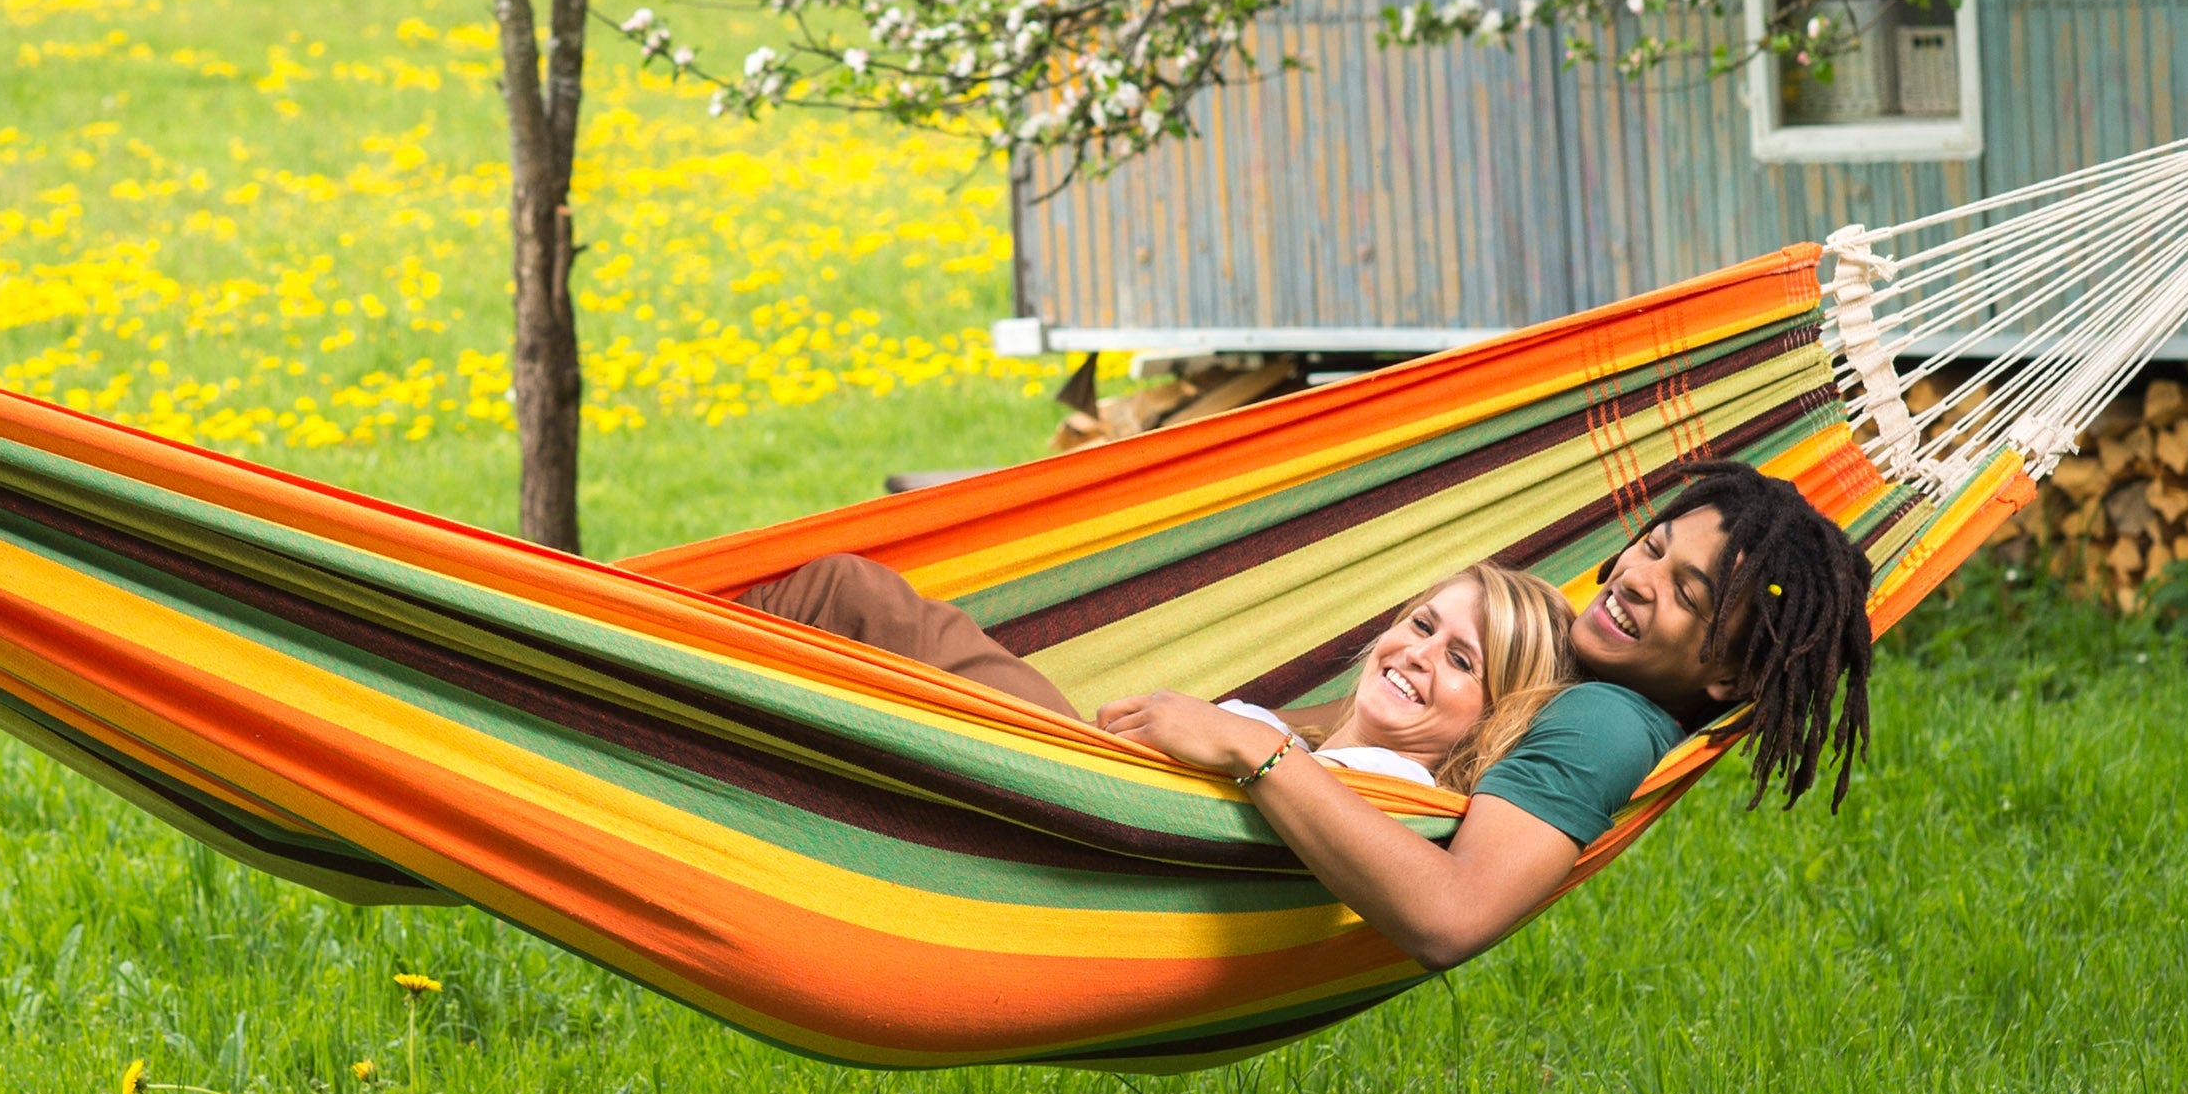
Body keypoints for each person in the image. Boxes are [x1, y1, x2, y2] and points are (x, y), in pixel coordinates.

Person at [743, 458, 1874, 971]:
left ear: (1728, 671)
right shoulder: (1583, 688)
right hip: (1126, 815)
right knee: (849, 608)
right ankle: (595, 656)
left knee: (842, 597)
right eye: (1655, 547)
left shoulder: (1607, 725)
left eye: (1688, 594)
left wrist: (1255, 745)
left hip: (1100, 830)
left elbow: (1447, 917)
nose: (1634, 578)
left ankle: (590, 664)